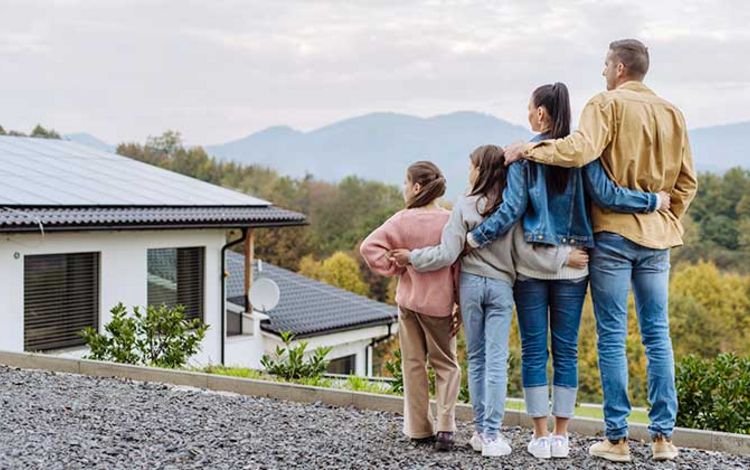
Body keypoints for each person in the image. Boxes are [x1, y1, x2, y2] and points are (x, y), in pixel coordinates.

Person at [497, 39, 698, 462]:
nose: (603, 72)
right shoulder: (673, 113)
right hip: (658, 238)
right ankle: (663, 439)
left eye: (606, 64)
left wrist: (528, 148)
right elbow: (686, 183)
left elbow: (578, 151)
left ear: (621, 68)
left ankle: (618, 440)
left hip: (613, 236)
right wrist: (663, 216)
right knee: (657, 335)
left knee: (612, 336)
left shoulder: (605, 104)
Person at [391, 144, 581, 458]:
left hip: (469, 286)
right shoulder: (512, 209)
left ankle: (480, 432)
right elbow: (526, 254)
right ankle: (492, 434)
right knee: (496, 362)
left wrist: (411, 257)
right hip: (501, 288)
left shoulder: (463, 207)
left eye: (472, 166)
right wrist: (563, 260)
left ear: (481, 169)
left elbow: (446, 254)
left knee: (476, 360)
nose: (469, 171)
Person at [360, 161, 461, 452]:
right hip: (440, 306)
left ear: (417, 187)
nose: (404, 189)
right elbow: (457, 267)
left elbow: (370, 247)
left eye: (406, 183)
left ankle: (419, 429)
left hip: (408, 304)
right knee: (446, 366)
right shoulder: (450, 220)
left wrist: (397, 268)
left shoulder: (401, 220)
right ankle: (445, 427)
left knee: (413, 365)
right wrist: (458, 304)